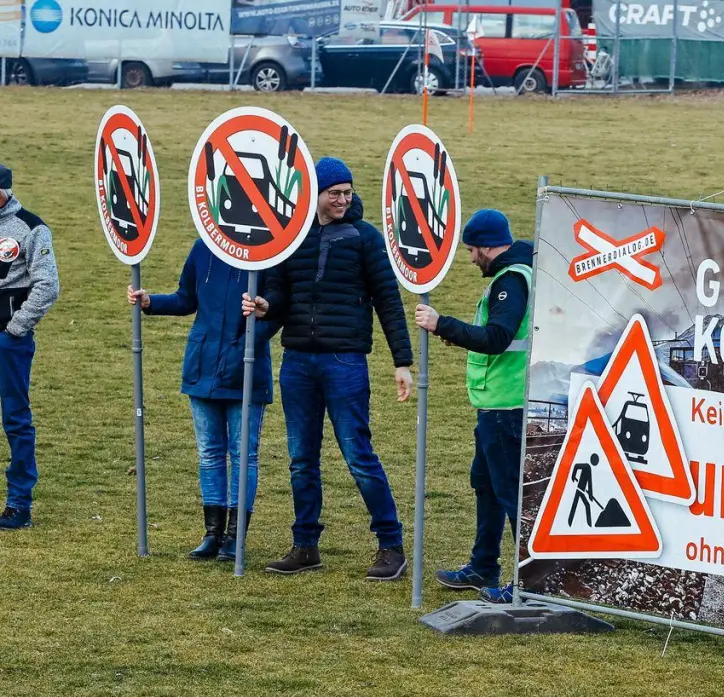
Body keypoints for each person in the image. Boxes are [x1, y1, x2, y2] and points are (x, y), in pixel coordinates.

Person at [243, 157, 414, 580]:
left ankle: (391, 544)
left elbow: (389, 301)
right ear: (315, 195)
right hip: (297, 360)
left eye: (347, 193)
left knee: (358, 453)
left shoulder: (365, 238)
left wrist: (402, 361)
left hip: (345, 361)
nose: (342, 199)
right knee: (301, 459)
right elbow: (279, 294)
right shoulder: (291, 239)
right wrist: (266, 307)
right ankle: (305, 545)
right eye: (334, 193)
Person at [414, 209, 533, 604]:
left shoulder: (510, 280)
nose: (470, 259)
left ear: (486, 246)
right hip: (497, 402)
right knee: (485, 484)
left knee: (511, 494)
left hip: (507, 403)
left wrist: (441, 324)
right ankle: (483, 565)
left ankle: (530, 581)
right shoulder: (521, 270)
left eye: (471, 251)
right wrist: (463, 336)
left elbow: (498, 337)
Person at [129, 239, 273, 560]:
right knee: (209, 452)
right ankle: (213, 534)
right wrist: (150, 301)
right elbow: (186, 298)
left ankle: (235, 538)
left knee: (242, 454)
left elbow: (277, 309)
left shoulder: (268, 249)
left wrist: (249, 338)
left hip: (245, 369)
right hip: (203, 366)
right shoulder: (202, 247)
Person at [0, 162, 59, 530]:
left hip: (9, 343)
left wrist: (14, 329)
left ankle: (19, 504)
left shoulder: (31, 227)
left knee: (16, 421)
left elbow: (47, 285)